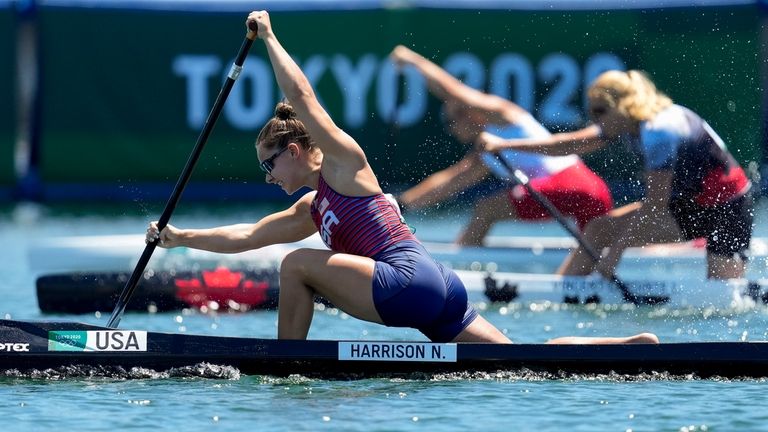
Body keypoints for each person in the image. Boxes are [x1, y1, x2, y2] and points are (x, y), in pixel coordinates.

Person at [146, 11, 658, 345]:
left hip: (406, 282)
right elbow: (249, 236)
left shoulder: (345, 163)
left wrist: (272, 38)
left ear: (297, 151)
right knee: (517, 360)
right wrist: (179, 238)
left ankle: (287, 362)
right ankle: (613, 347)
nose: (267, 176)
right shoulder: (311, 208)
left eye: (269, 164)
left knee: (298, 264)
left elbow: (303, 99)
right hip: (439, 290)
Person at [476, 69, 754, 280]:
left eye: (599, 111)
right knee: (598, 228)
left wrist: (615, 255)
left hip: (728, 210)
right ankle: (564, 290)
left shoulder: (659, 130)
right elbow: (568, 144)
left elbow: (656, 205)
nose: (594, 119)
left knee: (723, 298)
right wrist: (504, 144)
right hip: (688, 205)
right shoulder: (630, 122)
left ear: (621, 106)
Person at [389, 46, 614, 246]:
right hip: (591, 190)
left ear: (469, 113)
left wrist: (413, 61)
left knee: (485, 210)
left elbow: (452, 92)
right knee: (599, 254)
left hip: (573, 183)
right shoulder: (486, 153)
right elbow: (450, 182)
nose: (450, 130)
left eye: (451, 122)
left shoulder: (501, 115)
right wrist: (400, 204)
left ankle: (459, 269)